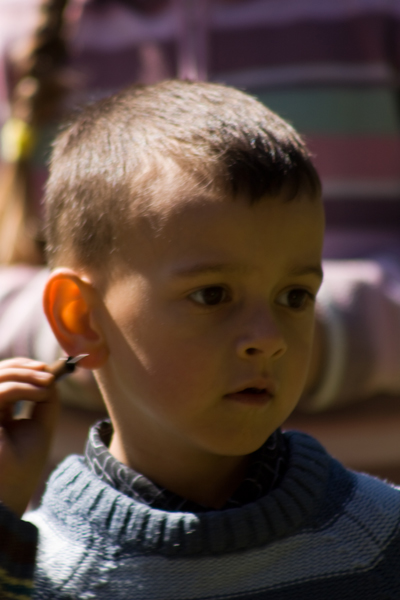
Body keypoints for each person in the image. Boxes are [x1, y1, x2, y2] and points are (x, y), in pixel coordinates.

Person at [1, 80, 400, 599]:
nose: (268, 339)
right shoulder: (34, 572)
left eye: (295, 296)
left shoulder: (383, 542)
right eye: (212, 295)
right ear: (81, 318)